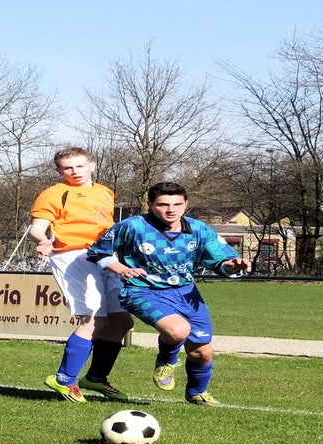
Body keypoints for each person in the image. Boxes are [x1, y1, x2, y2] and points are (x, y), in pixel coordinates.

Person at [87, 181, 251, 406]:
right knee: (178, 331)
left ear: (186, 204)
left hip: (186, 293)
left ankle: (197, 393)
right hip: (142, 290)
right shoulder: (133, 226)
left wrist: (231, 266)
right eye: (163, 204)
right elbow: (97, 252)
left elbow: (220, 260)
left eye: (177, 204)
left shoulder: (199, 230)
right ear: (150, 205)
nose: (171, 210)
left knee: (202, 353)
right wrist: (120, 268)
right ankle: (166, 360)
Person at [28, 147, 134, 402]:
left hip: (105, 256)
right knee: (94, 320)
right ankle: (64, 379)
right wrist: (43, 240)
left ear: (92, 165)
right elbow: (36, 229)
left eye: (79, 166)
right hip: (73, 256)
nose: (74, 171)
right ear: (59, 171)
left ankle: (96, 377)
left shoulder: (105, 192)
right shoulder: (54, 193)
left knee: (121, 322)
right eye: (67, 167)